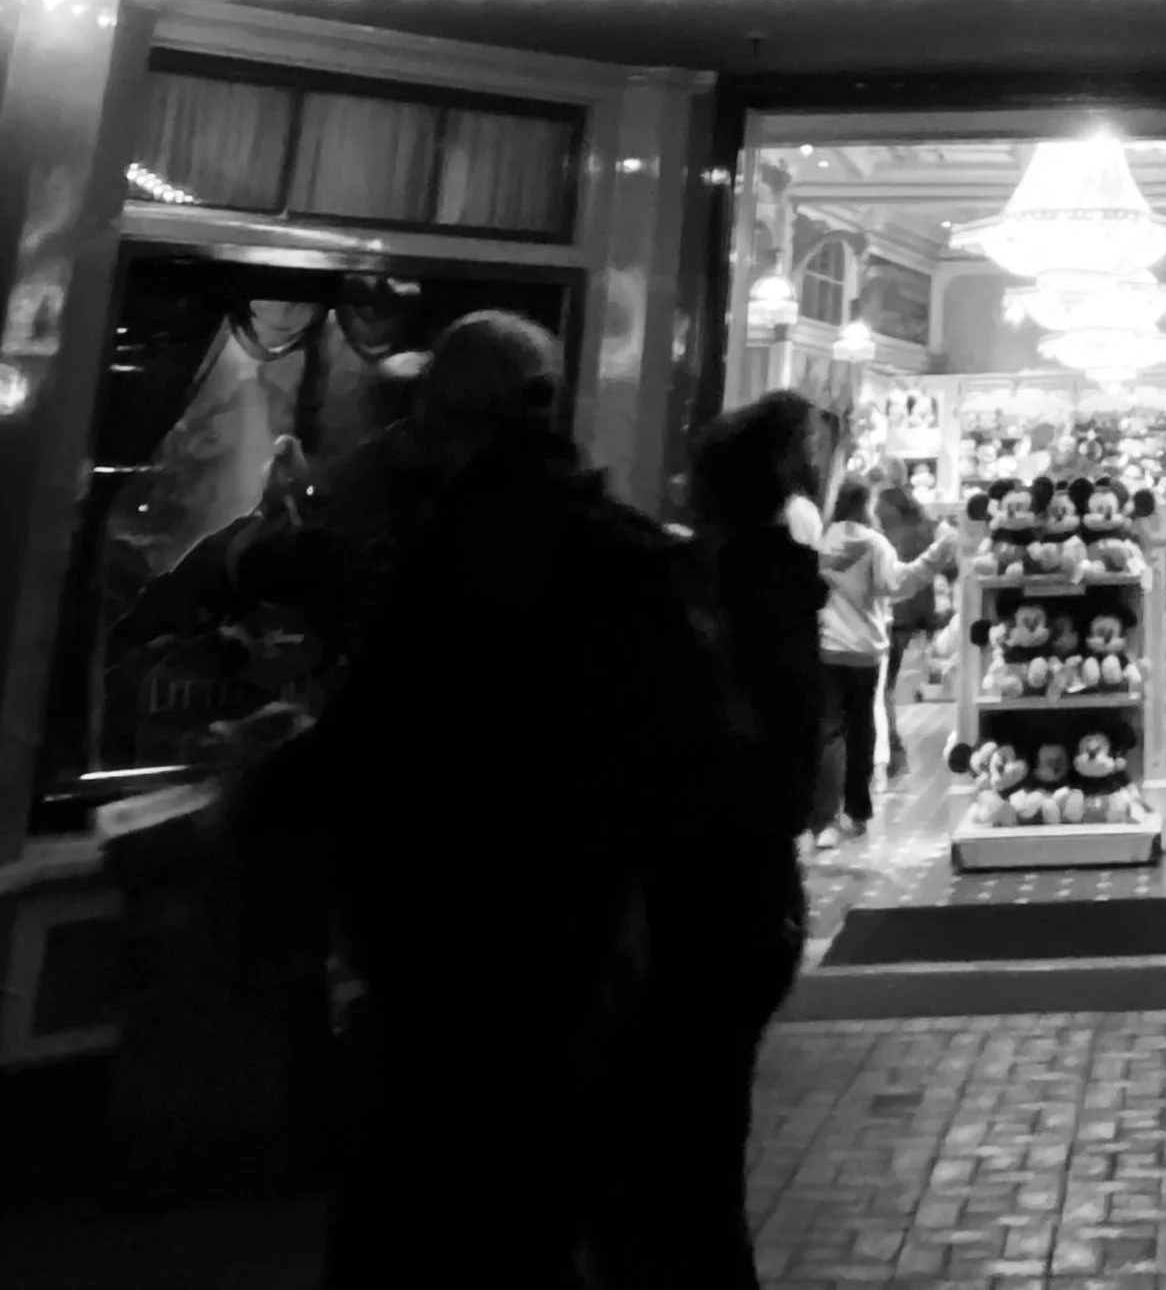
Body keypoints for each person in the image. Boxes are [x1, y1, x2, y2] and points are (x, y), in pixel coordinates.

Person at [240, 312, 789, 1290]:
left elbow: (378, 733)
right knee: (613, 1217)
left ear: (450, 421)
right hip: (604, 956)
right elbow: (717, 773)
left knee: (457, 1216)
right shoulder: (629, 558)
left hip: (477, 961)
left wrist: (261, 800)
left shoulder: (457, 556)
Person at [689, 393, 830, 858]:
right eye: (806, 448)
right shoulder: (772, 578)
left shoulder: (702, 566)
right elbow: (789, 696)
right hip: (750, 803)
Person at [814, 477, 952, 836]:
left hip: (827, 646)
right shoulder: (874, 544)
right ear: (865, 505)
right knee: (861, 730)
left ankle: (823, 818)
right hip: (863, 651)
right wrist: (937, 555)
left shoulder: (823, 541)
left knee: (830, 730)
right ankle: (855, 812)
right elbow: (896, 584)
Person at [872, 475, 940, 777]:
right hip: (916, 612)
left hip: (891, 612)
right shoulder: (922, 522)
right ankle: (891, 751)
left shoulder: (883, 525)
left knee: (881, 687)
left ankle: (891, 753)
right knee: (886, 685)